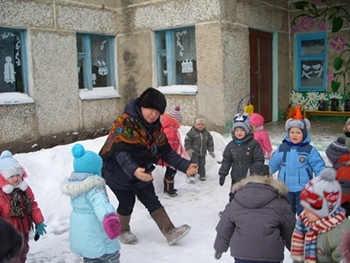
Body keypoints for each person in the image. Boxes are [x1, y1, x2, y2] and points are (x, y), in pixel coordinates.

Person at [99, 87, 197, 246]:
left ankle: (170, 231)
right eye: (151, 109)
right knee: (127, 202)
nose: (153, 115)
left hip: (141, 168)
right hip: (116, 171)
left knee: (151, 198)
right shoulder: (124, 123)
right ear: (142, 106)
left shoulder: (155, 128)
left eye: (158, 112)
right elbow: (120, 153)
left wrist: (185, 165)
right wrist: (134, 170)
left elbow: (166, 151)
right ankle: (122, 230)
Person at [214, 163, 296, 262]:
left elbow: (225, 226)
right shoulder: (280, 202)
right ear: (270, 178)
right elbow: (290, 229)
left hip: (242, 254)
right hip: (270, 254)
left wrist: (220, 247)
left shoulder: (237, 200)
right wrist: (296, 250)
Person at [61, 144, 121, 263]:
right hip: (98, 236)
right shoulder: (93, 187)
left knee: (90, 257)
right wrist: (110, 220)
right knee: (110, 256)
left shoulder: (74, 185)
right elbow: (101, 205)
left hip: (84, 237)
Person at [268, 109, 325, 215]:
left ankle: (302, 229)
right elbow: (273, 164)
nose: (294, 135)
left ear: (304, 134)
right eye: (292, 132)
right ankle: (288, 230)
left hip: (304, 188)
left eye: (298, 132)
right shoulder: (282, 148)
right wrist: (264, 175)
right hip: (285, 187)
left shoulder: (309, 150)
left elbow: (318, 165)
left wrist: (323, 179)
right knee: (286, 211)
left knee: (304, 212)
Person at [290, 167, 350, 263]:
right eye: (304, 206)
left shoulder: (340, 235)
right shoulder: (305, 223)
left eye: (310, 209)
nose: (304, 212)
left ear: (325, 210)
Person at [0, 150, 46, 263]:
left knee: (24, 249)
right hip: (8, 232)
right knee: (12, 256)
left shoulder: (24, 190)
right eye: (11, 176)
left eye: (17, 175)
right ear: (4, 178)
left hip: (24, 227)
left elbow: (32, 205)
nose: (16, 178)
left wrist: (39, 222)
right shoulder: (1, 194)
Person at [218, 113, 264, 201]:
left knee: (249, 196)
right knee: (234, 196)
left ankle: (248, 213)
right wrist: (222, 173)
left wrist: (256, 172)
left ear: (247, 131)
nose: (239, 132)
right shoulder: (231, 146)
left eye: (242, 130)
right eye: (237, 130)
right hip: (236, 177)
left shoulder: (254, 144)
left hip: (250, 177)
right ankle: (232, 211)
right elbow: (226, 160)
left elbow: (259, 160)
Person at [159, 105, 189, 197]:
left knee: (169, 171)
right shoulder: (170, 130)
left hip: (171, 154)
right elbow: (170, 143)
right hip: (171, 154)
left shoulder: (170, 128)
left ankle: (166, 188)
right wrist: (174, 154)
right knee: (171, 172)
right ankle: (170, 190)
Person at [184, 114, 215, 182]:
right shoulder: (191, 133)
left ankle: (202, 175)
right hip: (194, 152)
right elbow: (187, 141)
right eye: (198, 124)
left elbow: (210, 142)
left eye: (202, 124)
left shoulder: (206, 133)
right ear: (195, 124)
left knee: (202, 164)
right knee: (194, 164)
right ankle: (191, 175)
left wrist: (210, 150)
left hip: (203, 153)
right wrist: (188, 149)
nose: (200, 126)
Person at [325, 136, 350, 216]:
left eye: (329, 158)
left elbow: (344, 192)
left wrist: (334, 204)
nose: (328, 160)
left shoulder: (343, 170)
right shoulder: (339, 167)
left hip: (346, 203)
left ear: (334, 157)